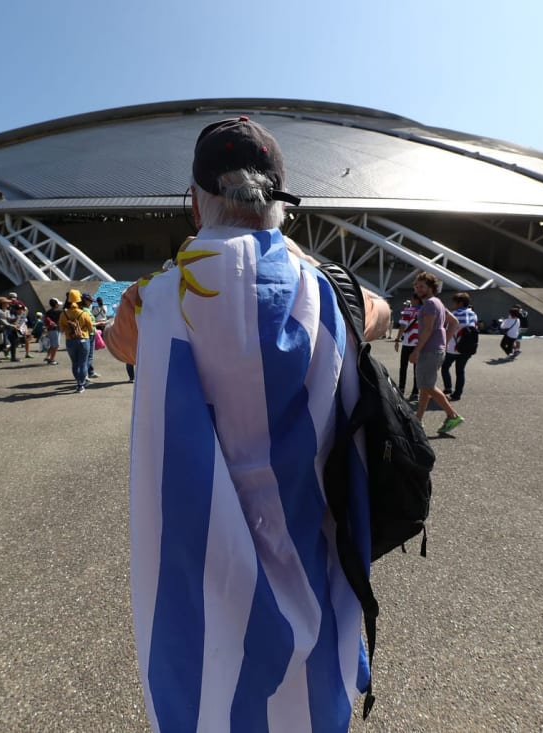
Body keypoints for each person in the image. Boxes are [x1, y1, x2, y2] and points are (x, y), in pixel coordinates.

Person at [101, 116, 390, 731]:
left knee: (210, 687)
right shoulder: (328, 290)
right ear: (278, 200)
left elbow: (119, 347)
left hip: (202, 554)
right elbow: (382, 317)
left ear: (195, 200)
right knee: (310, 696)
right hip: (310, 539)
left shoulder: (156, 298)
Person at [409, 272, 464, 434]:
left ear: (431, 288)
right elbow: (454, 322)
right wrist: (444, 343)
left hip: (428, 350)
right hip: (436, 350)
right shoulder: (437, 303)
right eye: (417, 286)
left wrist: (416, 350)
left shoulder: (430, 305)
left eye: (422, 286)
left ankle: (452, 415)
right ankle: (418, 420)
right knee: (425, 387)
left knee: (427, 385)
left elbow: (428, 329)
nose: (418, 289)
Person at [441, 291, 478, 401]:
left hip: (453, 347)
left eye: (455, 302)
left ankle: (448, 388)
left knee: (445, 367)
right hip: (467, 348)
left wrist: (444, 343)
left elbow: (448, 330)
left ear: (460, 303)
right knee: (460, 371)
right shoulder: (473, 314)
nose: (453, 304)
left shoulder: (454, 314)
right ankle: (457, 394)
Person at [58, 289, 94, 392]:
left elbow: (61, 329)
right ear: (80, 300)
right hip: (83, 339)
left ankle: (77, 381)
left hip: (70, 340)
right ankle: (80, 385)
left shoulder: (63, 314)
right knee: (83, 363)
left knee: (75, 363)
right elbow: (91, 329)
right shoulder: (84, 313)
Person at [393, 296, 421, 400]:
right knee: (416, 369)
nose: (411, 301)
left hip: (407, 343)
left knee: (403, 367)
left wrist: (397, 339)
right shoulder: (424, 311)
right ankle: (415, 392)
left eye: (412, 299)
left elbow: (402, 326)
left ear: (416, 300)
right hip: (419, 344)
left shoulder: (409, 311)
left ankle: (401, 388)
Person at [42, 298, 63, 365]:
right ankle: (52, 359)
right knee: (56, 345)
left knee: (52, 344)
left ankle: (48, 357)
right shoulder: (59, 312)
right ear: (56, 304)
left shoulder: (48, 312)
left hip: (50, 329)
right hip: (56, 329)